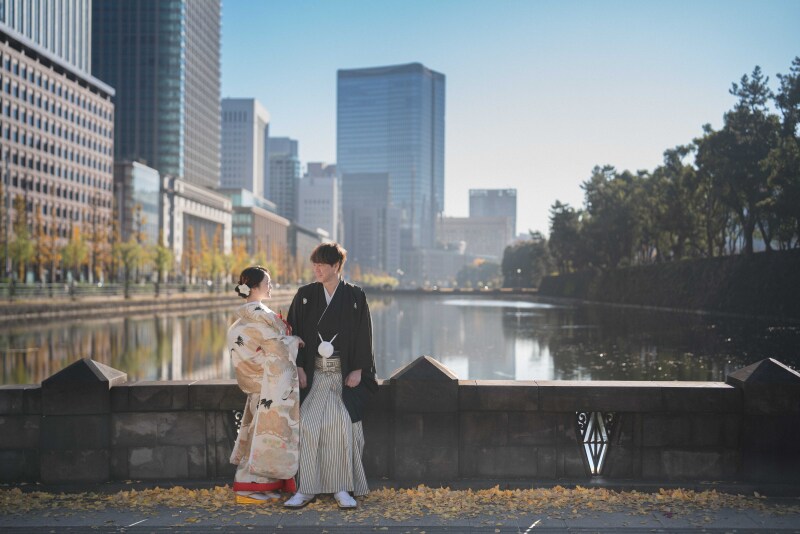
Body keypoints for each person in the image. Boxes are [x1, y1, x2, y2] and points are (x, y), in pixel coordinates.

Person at [284, 243, 377, 509]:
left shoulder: (355, 296)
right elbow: (293, 333)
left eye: (322, 265)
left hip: (341, 377)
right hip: (314, 375)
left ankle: (341, 488)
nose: (317, 269)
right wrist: (299, 366)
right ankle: (306, 488)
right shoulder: (305, 295)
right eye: (314, 264)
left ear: (336, 266)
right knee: (308, 424)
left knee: (340, 423)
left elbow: (364, 334)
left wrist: (359, 369)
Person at [228, 266, 304, 504]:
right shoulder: (258, 317)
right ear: (253, 288)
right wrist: (294, 341)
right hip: (267, 386)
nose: (271, 286)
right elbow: (277, 348)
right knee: (259, 439)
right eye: (267, 283)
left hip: (259, 385)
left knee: (259, 437)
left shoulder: (246, 318)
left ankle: (263, 485)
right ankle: (246, 489)